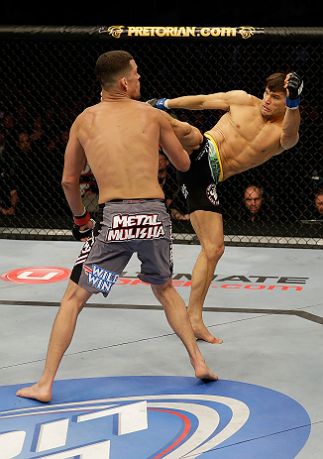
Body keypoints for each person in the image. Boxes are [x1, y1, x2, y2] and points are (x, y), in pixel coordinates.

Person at [16, 50, 218, 403]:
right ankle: (198, 362)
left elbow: (68, 181)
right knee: (164, 289)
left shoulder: (84, 121)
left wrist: (82, 221)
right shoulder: (152, 116)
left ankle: (45, 384)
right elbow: (184, 161)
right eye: (137, 74)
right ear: (124, 82)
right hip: (155, 219)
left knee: (75, 298)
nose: (141, 80)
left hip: (115, 225)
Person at [148, 72, 302, 343]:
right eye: (266, 92)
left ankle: (193, 318)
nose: (266, 100)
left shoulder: (282, 133)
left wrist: (293, 103)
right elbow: (204, 101)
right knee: (190, 133)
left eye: (275, 97)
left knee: (214, 249)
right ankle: (143, 111)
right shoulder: (243, 101)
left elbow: (290, 135)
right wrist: (165, 103)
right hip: (201, 151)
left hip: (206, 178)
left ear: (286, 102)